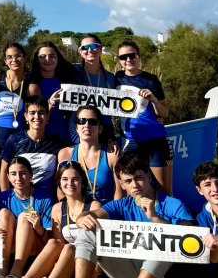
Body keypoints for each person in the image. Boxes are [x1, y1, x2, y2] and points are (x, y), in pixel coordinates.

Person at [71, 152, 194, 278]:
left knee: (164, 242)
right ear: (121, 184)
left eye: (139, 178)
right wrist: (81, 217)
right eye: (128, 181)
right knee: (89, 229)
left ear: (149, 176)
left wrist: (155, 218)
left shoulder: (172, 203)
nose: (134, 185)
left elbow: (189, 236)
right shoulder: (122, 205)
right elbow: (92, 214)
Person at [6, 161, 102, 278]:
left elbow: (101, 246)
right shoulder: (58, 208)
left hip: (87, 266)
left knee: (70, 247)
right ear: (59, 183)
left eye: (75, 179)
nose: (70, 183)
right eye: (65, 179)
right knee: (53, 242)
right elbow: (58, 244)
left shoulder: (94, 206)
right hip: (66, 265)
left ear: (82, 182)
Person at [115, 40, 173, 194]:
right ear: (119, 60)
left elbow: (164, 113)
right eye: (123, 57)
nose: (128, 60)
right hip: (131, 141)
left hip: (155, 139)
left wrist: (153, 99)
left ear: (138, 56)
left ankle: (167, 217)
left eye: (131, 55)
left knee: (162, 191)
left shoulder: (151, 79)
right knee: (133, 189)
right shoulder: (115, 79)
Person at [0, 156, 54, 278]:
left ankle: (16, 271)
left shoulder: (44, 198)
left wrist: (38, 227)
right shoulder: (3, 197)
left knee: (24, 217)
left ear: (31, 175)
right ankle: (2, 271)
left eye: (23, 173)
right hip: (9, 246)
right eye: (13, 174)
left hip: (33, 247)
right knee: (4, 213)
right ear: (8, 177)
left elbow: (49, 239)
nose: (18, 178)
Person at [0, 95, 69, 198]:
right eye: (32, 113)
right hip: (19, 199)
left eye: (41, 113)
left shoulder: (57, 144)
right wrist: (6, 198)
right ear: (26, 116)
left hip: (47, 200)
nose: (37, 117)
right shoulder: (14, 139)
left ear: (47, 116)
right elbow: (4, 171)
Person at [57, 106, 122, 204]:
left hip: (106, 214)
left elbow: (119, 193)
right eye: (82, 121)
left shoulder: (112, 155)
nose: (87, 125)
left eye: (92, 122)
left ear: (100, 128)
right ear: (77, 128)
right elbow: (61, 192)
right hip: (76, 213)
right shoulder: (65, 154)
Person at [0, 43, 30, 163]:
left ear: (25, 57)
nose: (14, 60)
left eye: (18, 56)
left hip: (19, 141)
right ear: (5, 60)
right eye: (9, 57)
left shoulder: (31, 84)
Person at [27, 42, 80, 142]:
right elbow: (36, 117)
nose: (47, 59)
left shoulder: (67, 81)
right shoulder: (33, 85)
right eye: (42, 57)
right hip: (44, 137)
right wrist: (50, 102)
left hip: (67, 134)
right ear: (36, 60)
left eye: (52, 56)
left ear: (57, 58)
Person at [72, 34, 115, 142]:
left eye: (94, 46)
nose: (90, 50)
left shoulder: (110, 77)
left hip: (104, 129)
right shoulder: (72, 72)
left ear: (100, 49)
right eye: (85, 47)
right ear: (80, 52)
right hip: (79, 130)